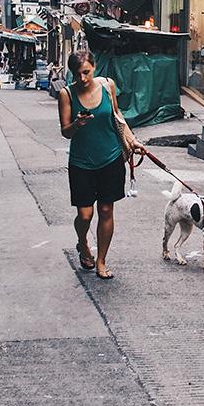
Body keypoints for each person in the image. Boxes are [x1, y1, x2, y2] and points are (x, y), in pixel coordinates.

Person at [57, 50, 144, 279]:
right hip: (81, 162)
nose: (83, 78)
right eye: (77, 74)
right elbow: (65, 132)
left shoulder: (107, 86)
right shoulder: (66, 94)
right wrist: (77, 124)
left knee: (106, 210)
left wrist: (132, 140)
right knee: (85, 215)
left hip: (111, 158)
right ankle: (83, 242)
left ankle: (101, 261)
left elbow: (117, 115)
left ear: (94, 68)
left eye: (86, 72)